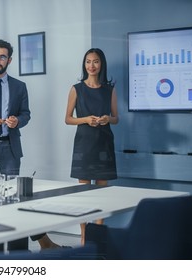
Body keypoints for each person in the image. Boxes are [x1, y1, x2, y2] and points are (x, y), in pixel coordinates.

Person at [0, 39, 61, 251]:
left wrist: (18, 121)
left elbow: (26, 114)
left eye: (1, 57)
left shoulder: (19, 86)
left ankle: (16, 251)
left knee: (14, 200)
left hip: (10, 147)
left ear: (9, 59)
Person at [65, 48, 119, 244]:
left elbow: (116, 118)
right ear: (84, 64)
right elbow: (68, 119)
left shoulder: (110, 90)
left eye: (95, 61)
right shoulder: (76, 89)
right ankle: (84, 236)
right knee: (84, 195)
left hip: (104, 143)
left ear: (101, 64)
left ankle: (98, 233)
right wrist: (86, 119)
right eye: (88, 61)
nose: (92, 65)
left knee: (102, 193)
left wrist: (107, 119)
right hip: (84, 144)